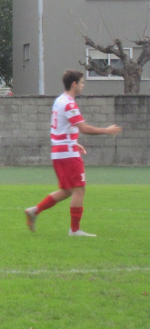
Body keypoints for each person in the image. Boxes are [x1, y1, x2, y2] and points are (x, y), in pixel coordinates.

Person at [24, 70, 122, 237]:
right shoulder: (69, 104)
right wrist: (107, 130)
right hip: (67, 154)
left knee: (68, 190)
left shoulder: (59, 101)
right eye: (82, 82)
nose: (83, 85)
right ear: (74, 84)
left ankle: (35, 210)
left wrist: (73, 143)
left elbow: (60, 128)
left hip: (60, 151)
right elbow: (85, 128)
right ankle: (75, 230)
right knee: (79, 189)